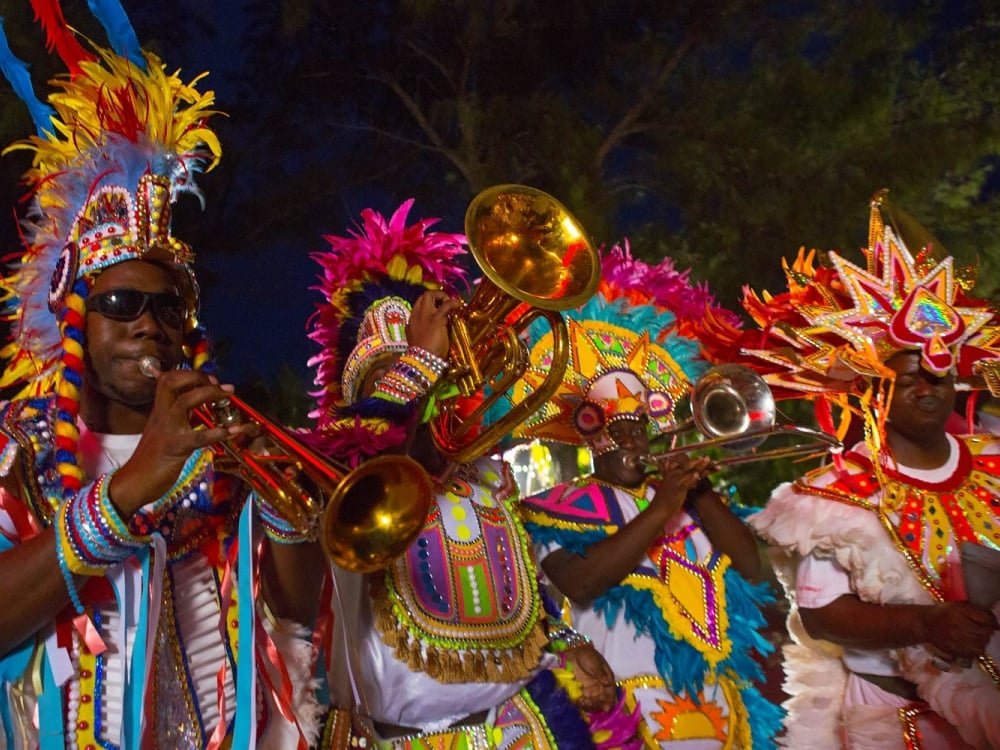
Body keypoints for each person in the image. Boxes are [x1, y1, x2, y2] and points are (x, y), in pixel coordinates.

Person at [0, 9, 325, 747]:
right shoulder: (15, 452)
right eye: (122, 304)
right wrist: (128, 489)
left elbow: (296, 613)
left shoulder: (220, 456)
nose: (151, 325)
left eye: (169, 306)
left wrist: (282, 507)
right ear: (74, 315)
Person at [305, 200, 640, 749]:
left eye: (438, 365)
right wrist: (419, 361)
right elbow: (365, 444)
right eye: (406, 368)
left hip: (518, 728)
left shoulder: (486, 476)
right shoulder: (340, 478)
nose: (432, 380)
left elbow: (522, 583)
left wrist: (566, 640)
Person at [700, 191, 1000, 748]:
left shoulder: (994, 462)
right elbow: (822, 616)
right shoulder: (834, 494)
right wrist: (927, 624)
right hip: (893, 720)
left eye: (936, 376)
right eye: (906, 377)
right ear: (871, 387)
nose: (925, 389)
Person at [512, 243, 784, 748]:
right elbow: (581, 582)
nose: (633, 441)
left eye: (639, 428)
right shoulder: (556, 504)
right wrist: (662, 508)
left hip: (722, 715)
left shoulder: (683, 499)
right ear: (590, 438)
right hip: (619, 720)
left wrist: (696, 492)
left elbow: (751, 566)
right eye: (617, 430)